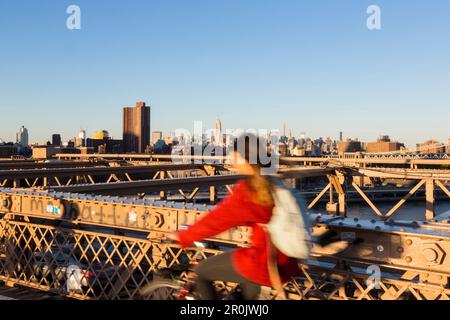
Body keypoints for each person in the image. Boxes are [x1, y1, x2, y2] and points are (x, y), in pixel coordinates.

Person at [167, 133, 300, 300]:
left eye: (234, 156)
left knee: (201, 271)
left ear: (245, 159)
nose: (231, 161)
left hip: (262, 263)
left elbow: (217, 220)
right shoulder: (273, 182)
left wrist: (184, 237)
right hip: (284, 262)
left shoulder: (250, 190)